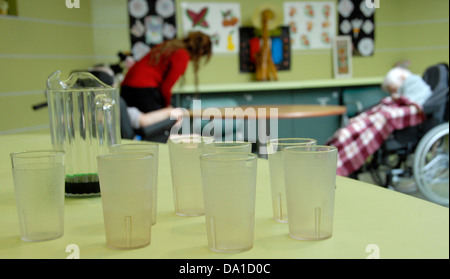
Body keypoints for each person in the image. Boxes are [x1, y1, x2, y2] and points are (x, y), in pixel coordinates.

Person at [327, 67, 432, 177]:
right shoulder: (404, 89)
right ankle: (333, 161)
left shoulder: (414, 83)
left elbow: (410, 104)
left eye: (393, 89)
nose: (392, 93)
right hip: (379, 117)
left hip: (389, 120)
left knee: (353, 132)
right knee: (345, 134)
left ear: (401, 78)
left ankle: (339, 165)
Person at [120, 31, 213, 114]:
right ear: (200, 52)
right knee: (158, 126)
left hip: (127, 87)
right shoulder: (182, 54)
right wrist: (168, 107)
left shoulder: (168, 46)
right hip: (143, 90)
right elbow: (165, 88)